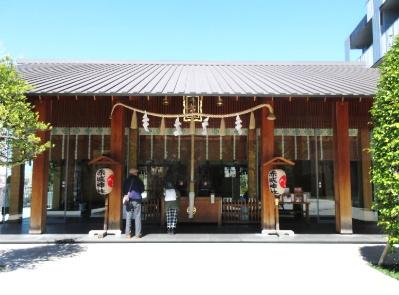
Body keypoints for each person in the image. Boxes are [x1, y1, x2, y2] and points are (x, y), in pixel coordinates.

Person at [122, 168, 145, 238]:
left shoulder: (126, 180)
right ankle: (138, 234)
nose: (137, 174)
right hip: (137, 200)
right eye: (136, 173)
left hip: (129, 200)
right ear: (135, 173)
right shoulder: (139, 180)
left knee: (128, 216)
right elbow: (142, 189)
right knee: (137, 216)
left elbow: (124, 190)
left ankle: (128, 234)